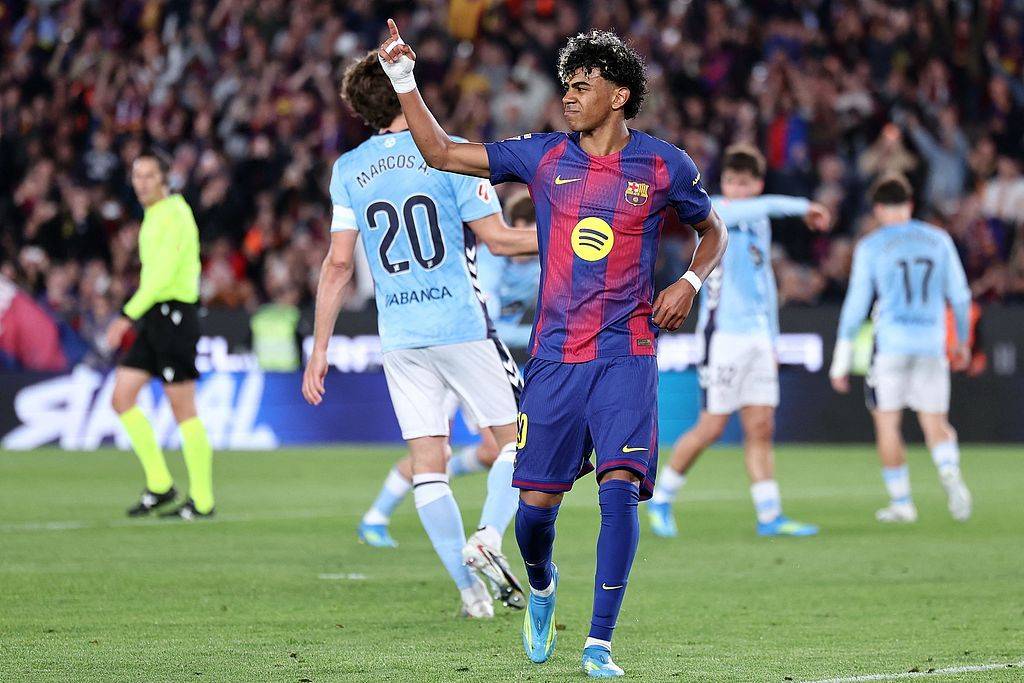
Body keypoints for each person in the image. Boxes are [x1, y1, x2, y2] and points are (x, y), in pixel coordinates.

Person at [378, 21, 727, 677]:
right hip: (555, 360)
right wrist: (403, 79)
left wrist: (689, 281)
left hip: (627, 351)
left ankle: (599, 642)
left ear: (619, 96)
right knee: (533, 518)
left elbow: (714, 232)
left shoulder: (664, 165)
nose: (568, 95)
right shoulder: (541, 156)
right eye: (566, 84)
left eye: (583, 85)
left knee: (620, 488)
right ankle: (541, 584)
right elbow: (441, 152)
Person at [301, 52, 538, 619]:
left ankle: (471, 594)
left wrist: (319, 347)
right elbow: (501, 240)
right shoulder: (450, 153)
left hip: (401, 336)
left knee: (429, 462)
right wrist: (580, 236)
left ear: (361, 109)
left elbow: (337, 265)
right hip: (461, 324)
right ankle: (489, 535)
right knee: (521, 442)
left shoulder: (348, 170)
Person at [648, 144, 830, 538]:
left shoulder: (760, 220)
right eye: (732, 182)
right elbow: (755, 208)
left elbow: (765, 283)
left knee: (761, 425)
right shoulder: (716, 212)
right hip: (723, 337)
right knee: (712, 426)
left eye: (745, 184)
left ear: (757, 184)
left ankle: (769, 516)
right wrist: (804, 207)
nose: (737, 190)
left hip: (758, 337)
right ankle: (661, 498)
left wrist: (773, 337)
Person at [830, 173, 972, 523]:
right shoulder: (939, 239)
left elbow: (856, 305)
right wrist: (962, 340)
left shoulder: (871, 245)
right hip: (931, 344)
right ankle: (949, 470)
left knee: (887, 423)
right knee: (935, 422)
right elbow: (960, 296)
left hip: (891, 345)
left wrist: (841, 359)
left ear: (878, 209)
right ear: (909, 204)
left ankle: (902, 503)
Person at [105, 149, 214, 520]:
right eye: (137, 176)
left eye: (149, 175)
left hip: (175, 317)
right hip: (155, 317)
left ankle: (202, 500)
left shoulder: (175, 213)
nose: (141, 183)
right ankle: (160, 484)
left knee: (183, 408)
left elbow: (162, 276)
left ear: (165, 179)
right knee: (122, 398)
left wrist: (125, 316)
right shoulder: (153, 215)